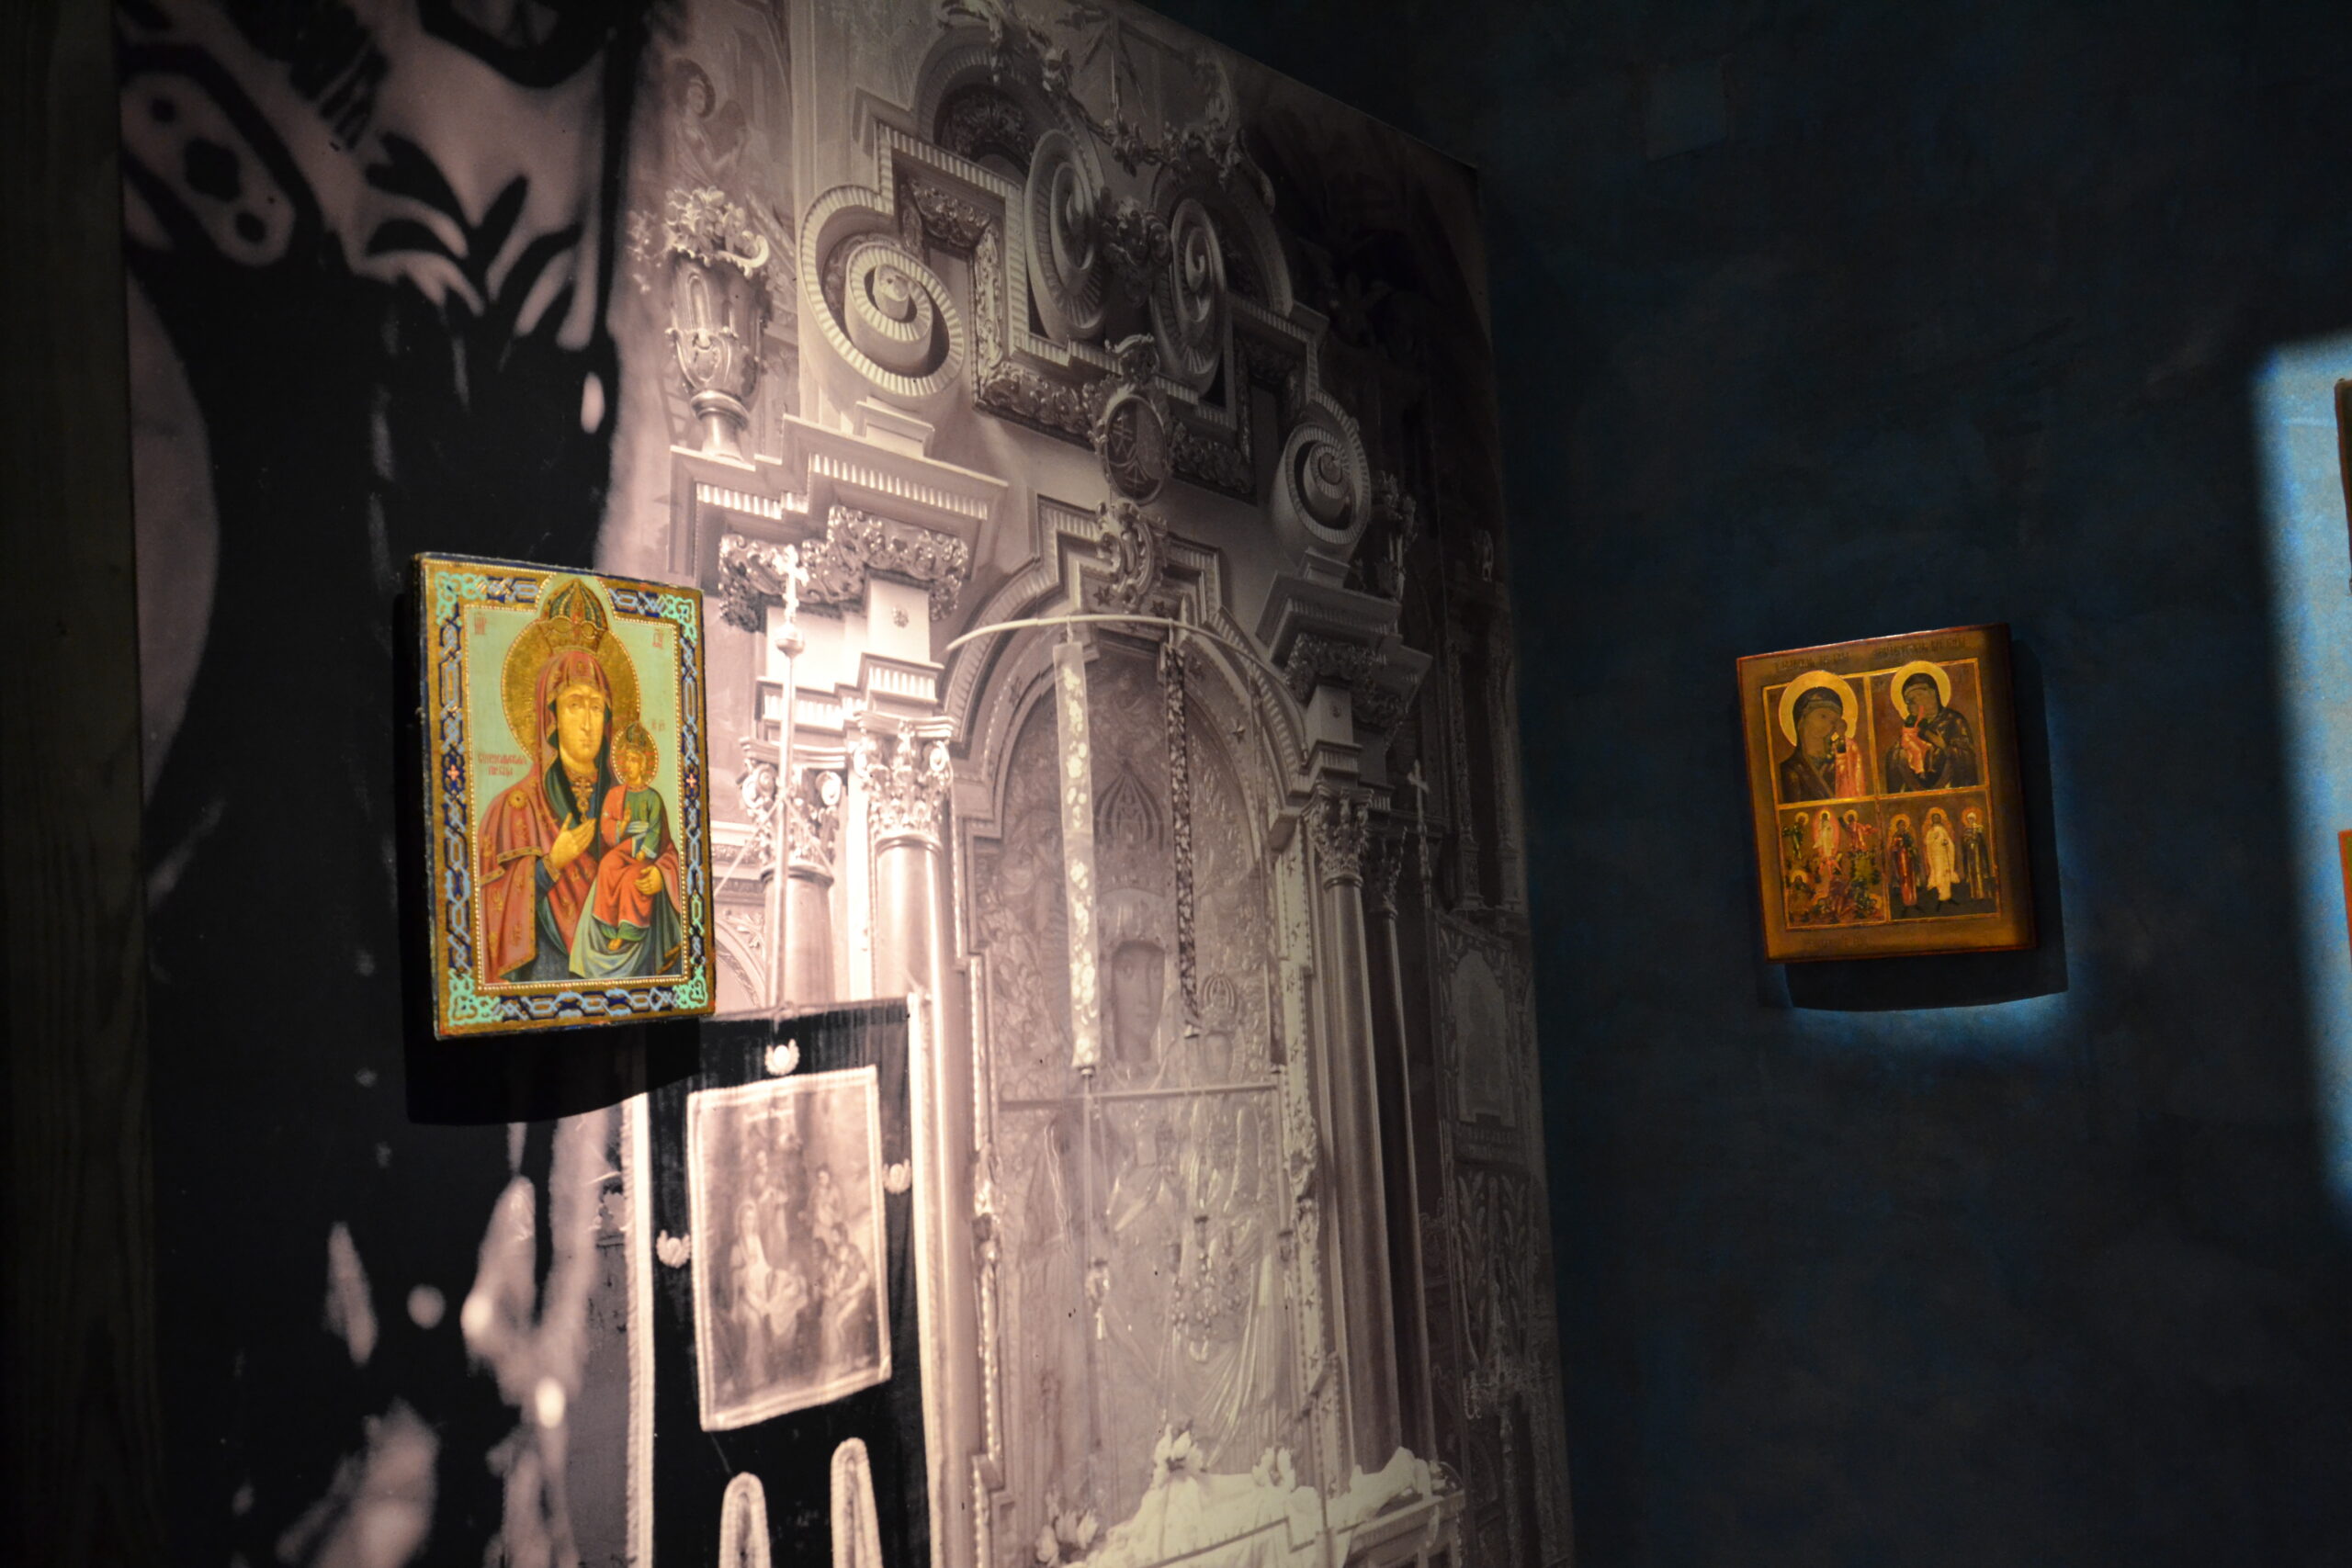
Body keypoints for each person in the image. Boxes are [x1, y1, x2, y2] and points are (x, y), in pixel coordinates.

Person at [571, 721, 684, 976]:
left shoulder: (653, 798)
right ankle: (608, 925)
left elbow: (656, 831)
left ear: (643, 765)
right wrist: (623, 826)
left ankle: (628, 931)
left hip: (644, 852)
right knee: (608, 865)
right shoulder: (615, 795)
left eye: (634, 760)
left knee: (634, 878)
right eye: (626, 760)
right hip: (624, 847)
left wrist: (646, 850)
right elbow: (606, 827)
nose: (628, 765)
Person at [1883, 667, 1980, 793]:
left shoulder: (1954, 720)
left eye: (1915, 698)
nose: (1910, 705)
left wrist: (1945, 747)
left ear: (1932, 694)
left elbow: (1968, 759)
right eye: (1908, 702)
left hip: (1950, 790)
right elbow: (1895, 756)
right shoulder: (1912, 725)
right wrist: (1900, 753)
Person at [1778, 682, 1866, 802]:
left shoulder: (1840, 762)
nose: (1828, 724)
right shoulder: (1791, 768)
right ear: (1803, 717)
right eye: (1823, 716)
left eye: (1833, 721)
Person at [1924, 807, 1959, 905]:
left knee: (1946, 874)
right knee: (1939, 874)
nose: (1936, 820)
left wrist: (1947, 843)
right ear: (1932, 820)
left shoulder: (1943, 829)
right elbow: (1927, 843)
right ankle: (1941, 895)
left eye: (1938, 818)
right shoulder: (1930, 831)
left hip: (1944, 855)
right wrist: (1933, 839)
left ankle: (1947, 896)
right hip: (1936, 857)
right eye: (1935, 818)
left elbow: (1949, 842)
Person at [1960, 808, 1996, 903]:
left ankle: (1983, 894)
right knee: (1972, 873)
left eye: (1972, 818)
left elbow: (1982, 841)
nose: (1970, 820)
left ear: (1975, 819)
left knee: (1981, 872)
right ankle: (1974, 894)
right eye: (1969, 819)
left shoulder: (1979, 828)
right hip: (1970, 854)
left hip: (1978, 853)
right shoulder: (1966, 829)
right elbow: (1964, 841)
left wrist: (1976, 839)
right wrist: (1968, 841)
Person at [1888, 815, 1921, 913]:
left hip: (1909, 859)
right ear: (1897, 826)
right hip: (1901, 860)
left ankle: (1913, 901)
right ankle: (1907, 901)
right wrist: (1898, 847)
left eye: (1904, 825)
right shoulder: (1896, 836)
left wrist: (1912, 849)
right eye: (1901, 825)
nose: (1903, 827)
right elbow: (1893, 849)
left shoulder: (1908, 835)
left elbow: (1912, 845)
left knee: (1911, 879)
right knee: (1904, 879)